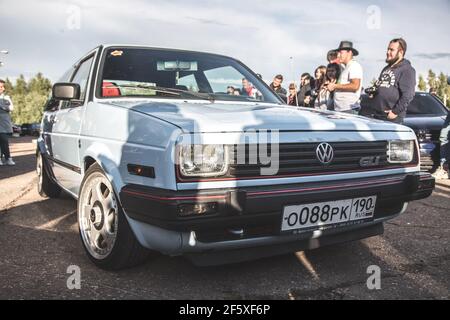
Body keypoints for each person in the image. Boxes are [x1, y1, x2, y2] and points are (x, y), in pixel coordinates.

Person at [360, 38, 416, 124]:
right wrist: (374, 92)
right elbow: (379, 86)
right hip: (377, 116)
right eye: (387, 49)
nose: (387, 52)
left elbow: (408, 95)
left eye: (391, 50)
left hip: (391, 118)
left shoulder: (407, 70)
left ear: (401, 52)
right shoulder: (386, 69)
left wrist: (395, 112)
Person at [326, 41, 363, 114]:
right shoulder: (346, 68)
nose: (338, 55)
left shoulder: (354, 66)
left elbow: (355, 86)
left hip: (349, 110)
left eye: (341, 53)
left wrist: (334, 86)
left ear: (349, 52)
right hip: (341, 110)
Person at [0, 79, 15, 166]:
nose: (3, 88)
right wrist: (5, 107)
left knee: (4, 140)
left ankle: (8, 158)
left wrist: (2, 106)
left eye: (3, 87)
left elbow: (11, 108)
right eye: (0, 87)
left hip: (4, 123)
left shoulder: (7, 98)